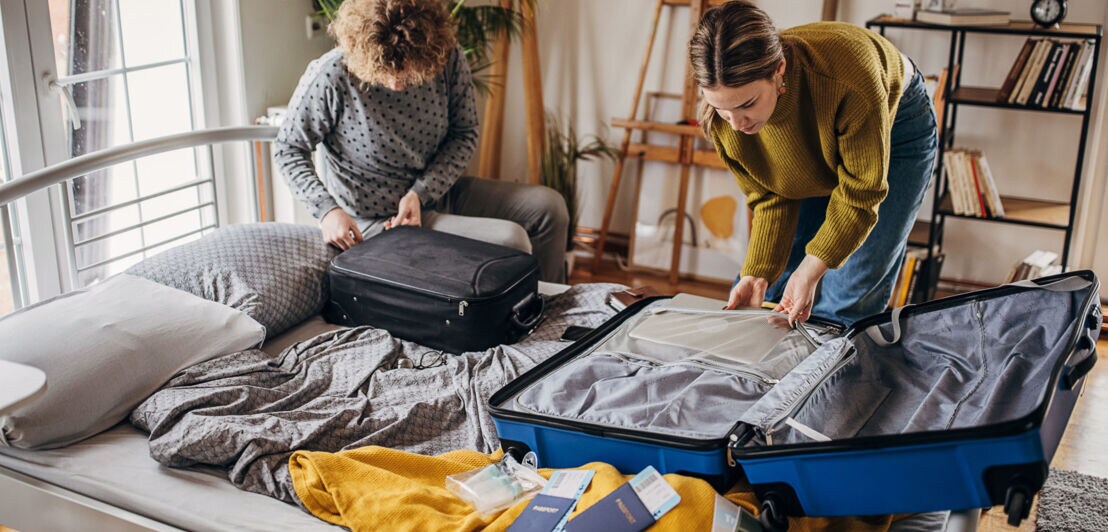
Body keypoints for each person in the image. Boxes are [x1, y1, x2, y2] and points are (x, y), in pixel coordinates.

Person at [274, 0, 569, 282]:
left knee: (550, 208)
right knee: (510, 240)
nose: (396, 82)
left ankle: (548, 305)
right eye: (385, 70)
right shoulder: (332, 74)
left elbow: (464, 134)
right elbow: (288, 148)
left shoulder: (447, 57)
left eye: (406, 70)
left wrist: (420, 193)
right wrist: (327, 210)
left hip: (438, 193)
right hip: (377, 220)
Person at [688, 0, 938, 326]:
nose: (736, 123)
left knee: (850, 290)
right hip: (820, 121)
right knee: (771, 289)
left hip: (895, 121)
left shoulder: (850, 82)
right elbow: (769, 195)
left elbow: (860, 193)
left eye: (747, 104)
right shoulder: (726, 121)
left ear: (778, 70)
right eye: (722, 108)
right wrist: (757, 272)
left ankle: (832, 374)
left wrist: (813, 266)